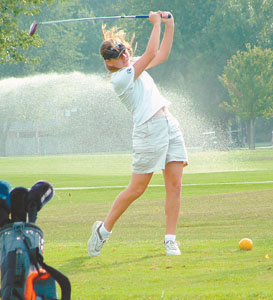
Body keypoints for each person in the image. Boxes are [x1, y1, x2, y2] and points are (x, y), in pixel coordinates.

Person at [88, 11, 188, 256]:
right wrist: (156, 24)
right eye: (120, 57)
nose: (125, 58)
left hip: (168, 123)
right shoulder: (121, 78)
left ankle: (170, 240)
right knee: (137, 188)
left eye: (125, 53)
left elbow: (161, 55)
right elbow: (152, 52)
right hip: (148, 131)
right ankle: (103, 231)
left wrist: (169, 25)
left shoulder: (132, 66)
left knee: (174, 186)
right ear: (110, 64)